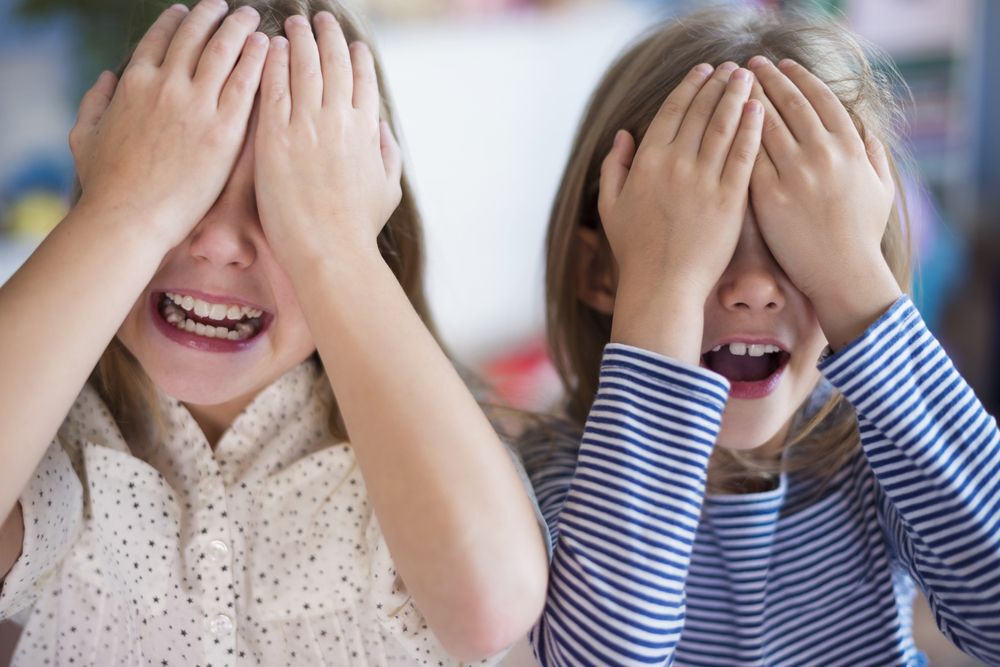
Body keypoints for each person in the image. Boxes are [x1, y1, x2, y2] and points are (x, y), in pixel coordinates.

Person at [0, 1, 548, 664]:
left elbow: (490, 607)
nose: (221, 242)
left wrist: (335, 248)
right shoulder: (52, 440)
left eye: (281, 204)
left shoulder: (416, 456)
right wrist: (124, 213)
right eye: (181, 186)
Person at [522, 6, 1000, 666]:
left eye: (795, 246)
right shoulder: (558, 470)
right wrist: (661, 298)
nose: (753, 285)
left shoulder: (877, 453)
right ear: (597, 273)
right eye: (704, 243)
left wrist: (855, 284)